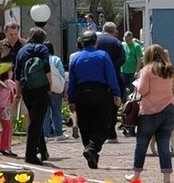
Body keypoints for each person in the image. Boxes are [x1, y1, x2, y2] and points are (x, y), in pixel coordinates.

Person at [68, 31, 121, 169]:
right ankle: (92, 149)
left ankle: (91, 153)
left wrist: (71, 99)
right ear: (95, 42)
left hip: (81, 93)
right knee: (103, 125)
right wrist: (116, 93)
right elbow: (111, 76)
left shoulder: (75, 59)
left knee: (85, 126)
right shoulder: (103, 55)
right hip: (100, 92)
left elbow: (72, 81)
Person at [126, 45, 174, 183]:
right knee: (164, 145)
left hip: (150, 111)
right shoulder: (169, 70)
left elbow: (143, 90)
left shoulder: (147, 70)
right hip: (168, 109)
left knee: (142, 144)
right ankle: (167, 178)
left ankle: (136, 175)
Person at [14, 28, 52, 165]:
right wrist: (50, 85)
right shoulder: (43, 49)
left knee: (35, 119)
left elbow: (17, 72)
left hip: (26, 88)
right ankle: (30, 154)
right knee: (36, 121)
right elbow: (47, 68)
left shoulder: (22, 50)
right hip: (40, 88)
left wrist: (18, 92)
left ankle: (43, 151)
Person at [0, 21, 27, 126]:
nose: (14, 37)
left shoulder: (25, 45)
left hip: (22, 84)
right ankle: (7, 136)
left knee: (25, 113)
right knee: (6, 118)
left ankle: (29, 138)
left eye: (16, 34)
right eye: (11, 34)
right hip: (4, 86)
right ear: (5, 33)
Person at [97, 22, 126, 142]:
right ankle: (111, 133)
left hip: (97, 78)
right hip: (114, 77)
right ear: (114, 31)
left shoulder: (96, 40)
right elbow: (122, 59)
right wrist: (111, 67)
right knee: (114, 105)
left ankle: (100, 132)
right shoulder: (117, 43)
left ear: (103, 29)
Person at [43, 42, 68, 141]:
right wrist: (63, 89)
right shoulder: (56, 59)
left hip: (44, 88)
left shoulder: (41, 59)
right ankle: (59, 133)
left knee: (45, 112)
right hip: (56, 89)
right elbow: (62, 75)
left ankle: (45, 134)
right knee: (56, 111)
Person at [0, 75, 17, 157]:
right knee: (8, 128)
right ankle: (3, 147)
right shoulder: (2, 84)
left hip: (6, 108)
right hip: (3, 109)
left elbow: (17, 86)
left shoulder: (8, 82)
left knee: (7, 128)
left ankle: (5, 147)